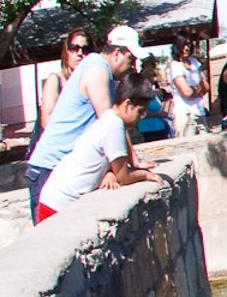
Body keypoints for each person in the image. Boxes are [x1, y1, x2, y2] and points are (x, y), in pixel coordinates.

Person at [25, 24, 141, 212]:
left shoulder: (98, 69)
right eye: (131, 58)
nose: (132, 66)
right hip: (50, 168)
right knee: (51, 237)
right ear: (117, 53)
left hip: (60, 168)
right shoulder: (97, 71)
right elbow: (110, 123)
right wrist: (132, 163)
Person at [33, 74, 163, 223]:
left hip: (54, 197)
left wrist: (109, 173)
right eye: (140, 112)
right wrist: (145, 175)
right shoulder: (114, 126)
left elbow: (110, 164)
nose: (142, 117)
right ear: (127, 105)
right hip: (58, 204)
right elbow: (124, 177)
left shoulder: (108, 118)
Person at [34, 28, 92, 152]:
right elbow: (47, 120)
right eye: (74, 48)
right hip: (55, 151)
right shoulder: (55, 80)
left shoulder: (92, 83)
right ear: (66, 52)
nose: (80, 53)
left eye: (85, 49)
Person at [167, 36, 209, 136]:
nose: (186, 48)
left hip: (199, 112)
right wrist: (199, 88)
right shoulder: (175, 66)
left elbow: (206, 86)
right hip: (184, 114)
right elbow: (186, 92)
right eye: (183, 45)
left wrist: (194, 89)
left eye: (189, 44)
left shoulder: (195, 63)